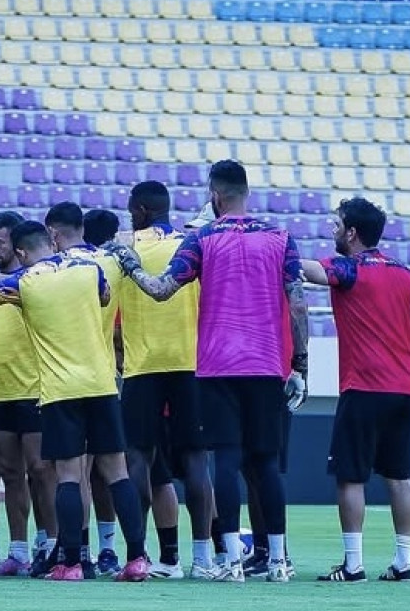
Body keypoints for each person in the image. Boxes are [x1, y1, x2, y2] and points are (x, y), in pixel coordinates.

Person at [112, 159, 308, 583]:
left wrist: (130, 264)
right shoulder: (280, 237)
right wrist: (300, 363)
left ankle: (232, 562)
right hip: (265, 363)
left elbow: (161, 289)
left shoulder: (203, 237)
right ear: (246, 192)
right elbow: (297, 303)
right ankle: (278, 561)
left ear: (214, 196)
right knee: (266, 463)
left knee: (227, 460)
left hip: (218, 365)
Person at [0, 220, 151, 582]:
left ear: (22, 252)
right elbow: (105, 298)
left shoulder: (26, 282)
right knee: (116, 473)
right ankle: (137, 558)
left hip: (60, 391)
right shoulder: (89, 269)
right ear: (51, 242)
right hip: (102, 384)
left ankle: (70, 563)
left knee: (69, 477)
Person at [299, 198, 410, 583]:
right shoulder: (406, 275)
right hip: (403, 388)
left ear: (352, 233)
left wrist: (280, 250)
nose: (332, 230)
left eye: (337, 224)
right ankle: (403, 561)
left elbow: (311, 273)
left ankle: (353, 564)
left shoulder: (348, 269)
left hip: (363, 387)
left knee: (350, 477)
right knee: (399, 477)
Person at [117, 182, 215, 579]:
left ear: (140, 210)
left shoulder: (123, 248)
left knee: (138, 458)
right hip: (189, 363)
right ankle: (202, 557)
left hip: (142, 365)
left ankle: (139, 554)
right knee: (195, 459)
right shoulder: (192, 245)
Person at [45, 201, 122, 576]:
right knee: (113, 472)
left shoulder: (56, 271)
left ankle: (77, 554)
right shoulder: (112, 264)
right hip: (106, 376)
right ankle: (122, 552)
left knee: (72, 474)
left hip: (64, 380)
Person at [0, 211, 45, 577]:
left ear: (19, 246)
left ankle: (49, 544)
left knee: (40, 471)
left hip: (34, 388)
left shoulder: (33, 280)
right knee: (10, 473)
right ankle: (18, 551)